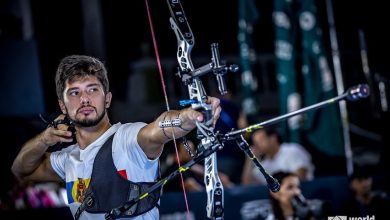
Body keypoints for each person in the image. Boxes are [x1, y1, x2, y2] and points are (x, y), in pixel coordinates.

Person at [11, 55, 221, 220]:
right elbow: (20, 170)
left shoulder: (127, 139)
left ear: (108, 99)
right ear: (62, 106)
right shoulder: (66, 159)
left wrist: (192, 116)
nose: (84, 99)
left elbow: (160, 128)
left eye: (92, 89)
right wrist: (44, 140)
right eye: (74, 93)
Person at [241, 127, 314, 186]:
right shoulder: (263, 164)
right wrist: (249, 158)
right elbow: (247, 184)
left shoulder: (291, 150)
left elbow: (301, 176)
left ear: (273, 138)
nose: (257, 145)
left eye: (261, 140)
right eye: (255, 143)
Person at [265, 171, 331, 220]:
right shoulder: (271, 218)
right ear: (275, 193)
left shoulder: (314, 210)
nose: (297, 192)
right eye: (290, 187)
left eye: (298, 187)